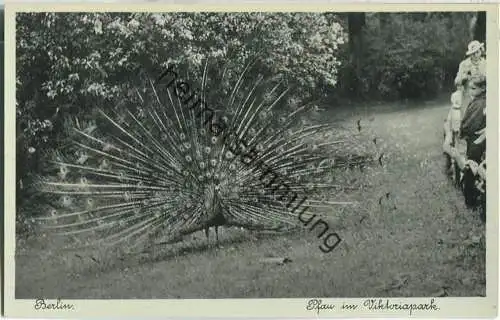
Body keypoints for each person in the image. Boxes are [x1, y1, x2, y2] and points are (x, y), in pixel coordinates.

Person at [454, 40, 486, 114]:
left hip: (484, 96)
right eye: (472, 53)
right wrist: (463, 78)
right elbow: (456, 82)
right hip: (469, 97)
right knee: (467, 121)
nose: (475, 55)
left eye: (477, 52)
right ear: (470, 54)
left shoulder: (486, 63)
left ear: (481, 51)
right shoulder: (464, 64)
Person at [460, 75, 486, 163]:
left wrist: (464, 129)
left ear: (483, 88)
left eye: (473, 88)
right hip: (472, 136)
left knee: (473, 159)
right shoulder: (476, 101)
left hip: (476, 135)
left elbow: (474, 121)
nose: (471, 91)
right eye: (470, 88)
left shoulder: (481, 103)